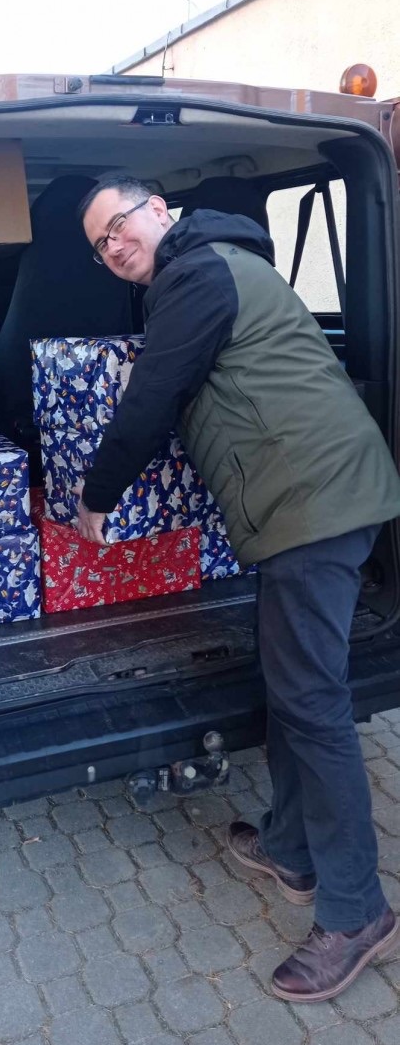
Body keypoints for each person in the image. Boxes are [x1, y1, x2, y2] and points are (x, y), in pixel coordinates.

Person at [75, 173, 400, 1003]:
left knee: (313, 704)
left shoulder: (197, 274)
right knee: (293, 687)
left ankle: (358, 912)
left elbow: (153, 395)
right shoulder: (215, 265)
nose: (114, 246)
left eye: (119, 224)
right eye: (100, 244)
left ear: (159, 210)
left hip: (313, 502)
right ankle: (291, 851)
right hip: (314, 499)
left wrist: (96, 496)